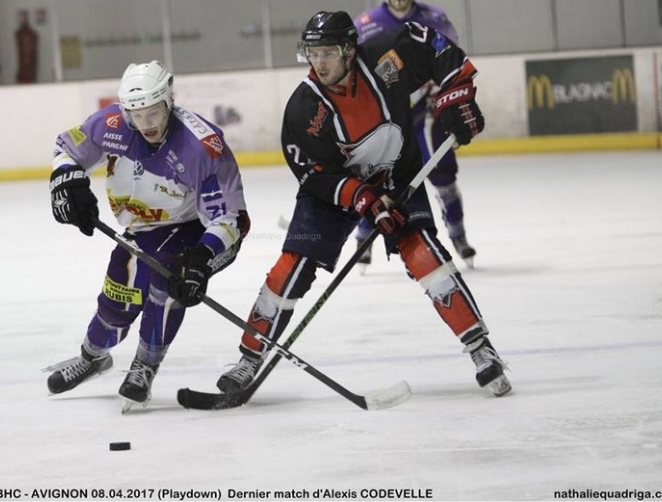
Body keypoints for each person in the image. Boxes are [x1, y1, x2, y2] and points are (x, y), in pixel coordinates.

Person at [216, 11, 510, 398]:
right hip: (337, 191)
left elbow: (436, 47)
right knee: (292, 266)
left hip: (397, 175)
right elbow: (314, 174)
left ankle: (481, 349)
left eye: (328, 53)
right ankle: (249, 359)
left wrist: (457, 96)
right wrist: (363, 198)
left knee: (424, 254)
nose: (319, 63)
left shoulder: (388, 56)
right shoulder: (304, 108)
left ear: (349, 51)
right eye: (313, 54)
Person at [44, 60, 250, 411]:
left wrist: (202, 257)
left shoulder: (200, 146)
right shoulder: (112, 124)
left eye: (154, 112)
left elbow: (231, 217)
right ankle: (93, 356)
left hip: (193, 230)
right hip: (140, 229)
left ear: (169, 101)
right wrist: (66, 180)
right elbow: (67, 147)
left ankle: (145, 366)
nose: (146, 123)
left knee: (166, 286)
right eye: (137, 115)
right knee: (117, 301)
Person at [352, 0, 477, 270]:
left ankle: (457, 233)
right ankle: (364, 235)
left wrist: (449, 95)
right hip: (387, 117)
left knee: (443, 172)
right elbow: (355, 72)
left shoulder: (435, 17)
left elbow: (450, 57)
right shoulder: (365, 24)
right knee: (375, 177)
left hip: (427, 112)